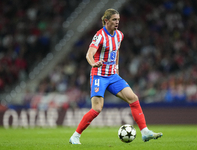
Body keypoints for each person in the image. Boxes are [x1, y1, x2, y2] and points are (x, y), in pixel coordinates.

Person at [69, 8, 163, 144]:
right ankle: (75, 136)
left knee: (133, 98)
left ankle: (145, 132)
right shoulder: (100, 35)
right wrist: (94, 63)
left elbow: (116, 51)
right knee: (96, 109)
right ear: (106, 21)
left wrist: (117, 68)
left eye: (118, 19)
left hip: (113, 76)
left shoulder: (120, 35)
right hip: (99, 76)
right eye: (114, 19)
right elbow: (89, 54)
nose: (117, 22)